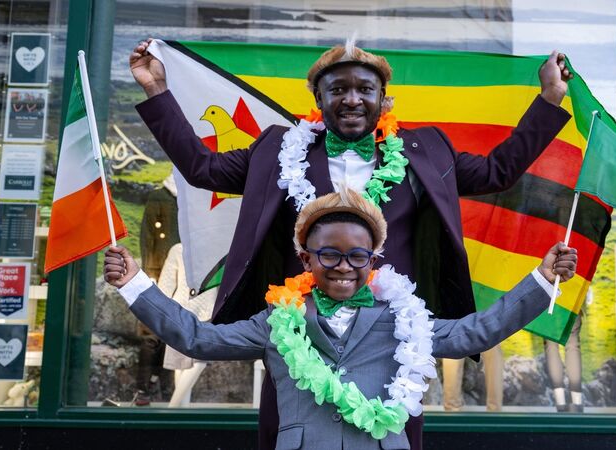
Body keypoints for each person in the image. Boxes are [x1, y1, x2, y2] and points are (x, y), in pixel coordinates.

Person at [130, 37, 573, 448]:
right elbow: (202, 169)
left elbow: (498, 171)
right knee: (286, 430)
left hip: (392, 331)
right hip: (299, 327)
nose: (352, 99)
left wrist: (549, 100)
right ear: (318, 98)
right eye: (337, 89)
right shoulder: (277, 150)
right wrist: (157, 91)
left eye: (365, 89)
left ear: (384, 98)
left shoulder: (426, 150)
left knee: (392, 432)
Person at [104, 189, 578, 449]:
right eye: (329, 254)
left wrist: (540, 280)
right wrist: (134, 284)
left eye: (357, 256)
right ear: (306, 259)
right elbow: (197, 338)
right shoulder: (278, 320)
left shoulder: (402, 319)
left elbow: (477, 332)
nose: (343, 267)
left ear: (373, 260)